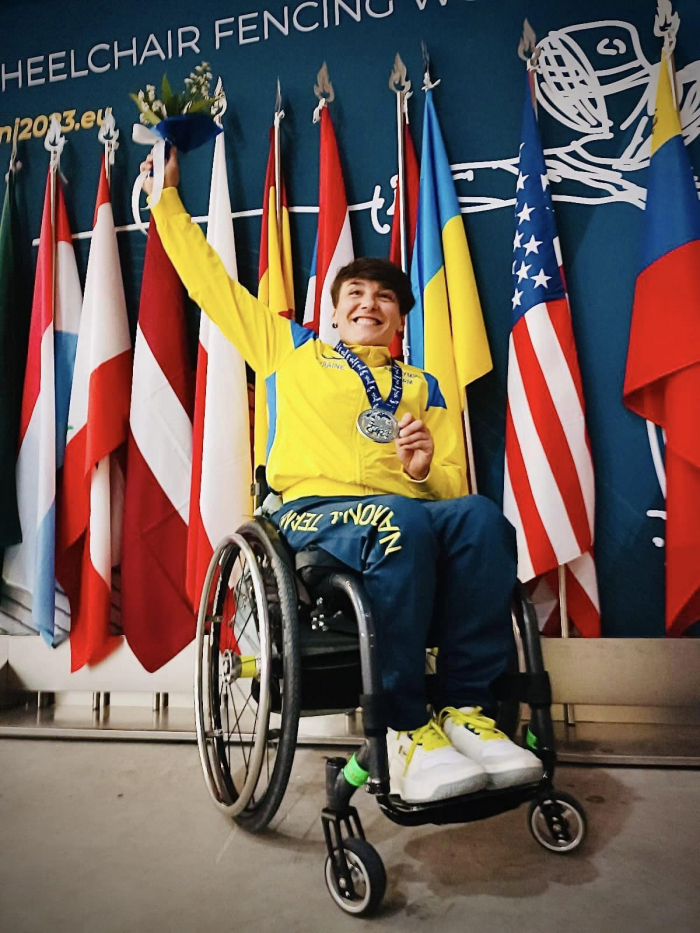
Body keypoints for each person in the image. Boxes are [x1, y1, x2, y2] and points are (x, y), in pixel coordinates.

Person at [143, 149, 543, 805]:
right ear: (333, 313)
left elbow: (448, 487)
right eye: (355, 293)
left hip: (403, 514)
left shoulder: (423, 385)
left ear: (399, 320)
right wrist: (166, 204)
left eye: (385, 297)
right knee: (402, 518)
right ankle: (405, 727)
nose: (369, 303)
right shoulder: (289, 350)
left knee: (481, 519)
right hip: (308, 513)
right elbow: (211, 284)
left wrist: (422, 470)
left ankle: (467, 710)